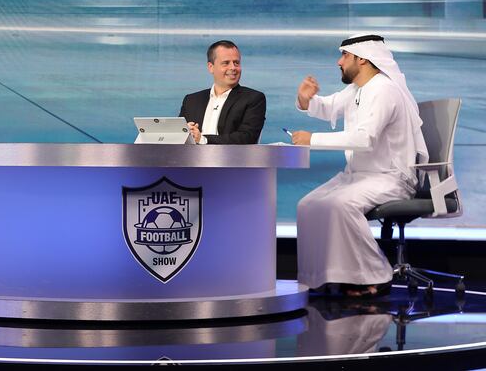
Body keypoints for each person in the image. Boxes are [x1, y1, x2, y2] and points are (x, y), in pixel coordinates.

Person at [291, 34, 428, 297]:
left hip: (390, 177)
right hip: (358, 176)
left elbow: (365, 138)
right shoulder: (358, 89)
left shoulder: (384, 90)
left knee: (339, 205)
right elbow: (329, 107)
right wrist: (307, 100)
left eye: (344, 55)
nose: (338, 62)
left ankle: (376, 275)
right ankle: (322, 278)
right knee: (307, 205)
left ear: (362, 58)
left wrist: (312, 140)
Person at [179, 40, 266, 144]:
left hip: (232, 159)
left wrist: (203, 139)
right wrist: (185, 132)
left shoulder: (253, 98)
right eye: (226, 63)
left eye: (236, 63)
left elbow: (247, 137)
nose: (233, 68)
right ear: (211, 67)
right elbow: (179, 136)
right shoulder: (191, 100)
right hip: (191, 158)